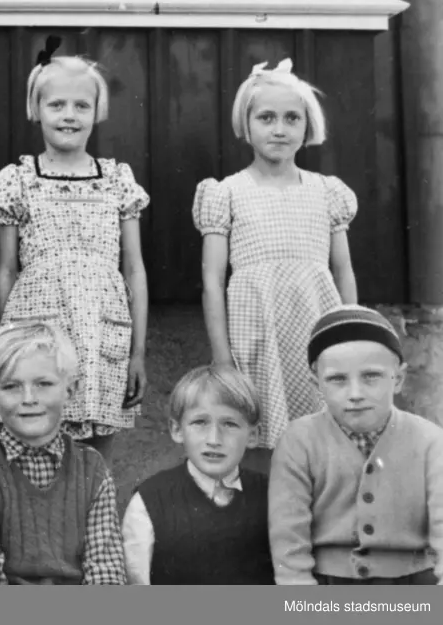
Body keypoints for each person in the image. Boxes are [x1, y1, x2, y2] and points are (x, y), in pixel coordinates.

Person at [0, 46, 150, 465]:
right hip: (38, 332)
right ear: (36, 109)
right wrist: (7, 345)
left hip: (101, 333)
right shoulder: (17, 180)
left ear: (98, 112)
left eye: (81, 105)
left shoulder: (116, 179)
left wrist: (138, 353)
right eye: (56, 104)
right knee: (33, 440)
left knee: (94, 457)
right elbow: (7, 270)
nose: (69, 115)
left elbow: (134, 269)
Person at [194, 59, 358, 473]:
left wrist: (349, 338)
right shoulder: (226, 193)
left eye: (292, 118)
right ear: (246, 125)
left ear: (308, 127)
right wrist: (222, 359)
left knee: (321, 442)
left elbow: (343, 273)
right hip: (257, 334)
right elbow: (213, 281)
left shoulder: (326, 192)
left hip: (314, 330)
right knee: (261, 445)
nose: (279, 129)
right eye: (266, 117)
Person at [269, 305, 443, 585]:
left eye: (371, 376)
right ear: (316, 384)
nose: (355, 394)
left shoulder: (430, 441)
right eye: (337, 379)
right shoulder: (298, 441)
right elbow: (288, 538)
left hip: (413, 582)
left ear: (397, 379)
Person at [0, 320, 126, 585]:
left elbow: (106, 573)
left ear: (70, 390)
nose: (28, 398)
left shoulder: (92, 468)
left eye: (43, 384)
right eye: (11, 386)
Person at [122, 365, 274, 584]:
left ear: (253, 435)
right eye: (200, 423)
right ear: (177, 430)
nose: (214, 439)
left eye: (230, 424)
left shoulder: (274, 497)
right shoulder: (150, 502)